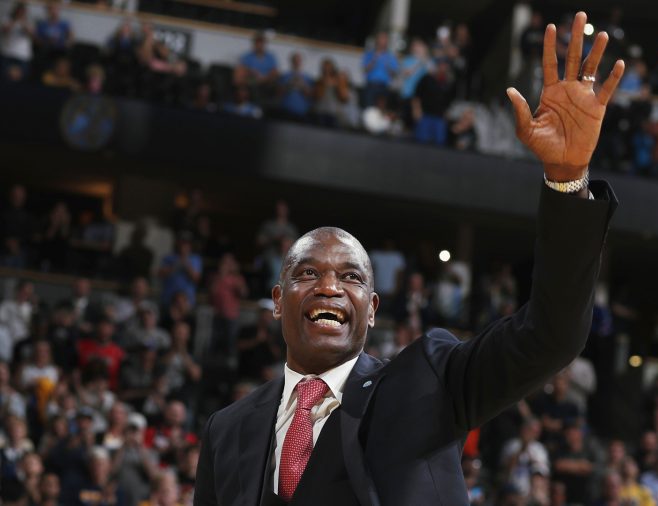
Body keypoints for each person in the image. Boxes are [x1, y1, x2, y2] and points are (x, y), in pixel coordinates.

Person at [195, 12, 623, 505]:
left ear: (373, 307)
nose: (329, 286)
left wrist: (568, 182)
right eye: (308, 272)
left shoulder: (427, 383)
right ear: (276, 300)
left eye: (350, 276)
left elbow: (551, 337)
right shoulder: (226, 430)